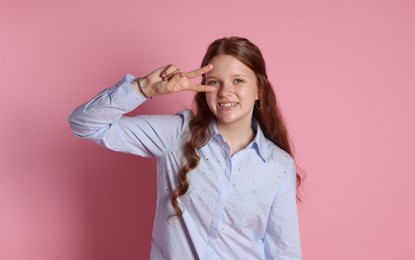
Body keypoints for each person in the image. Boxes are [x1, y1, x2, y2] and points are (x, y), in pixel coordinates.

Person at [69, 36, 302, 260]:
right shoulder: (176, 134)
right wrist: (144, 88)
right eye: (214, 82)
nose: (224, 92)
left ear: (259, 89)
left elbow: (284, 252)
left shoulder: (279, 165)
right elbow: (85, 124)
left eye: (238, 80)